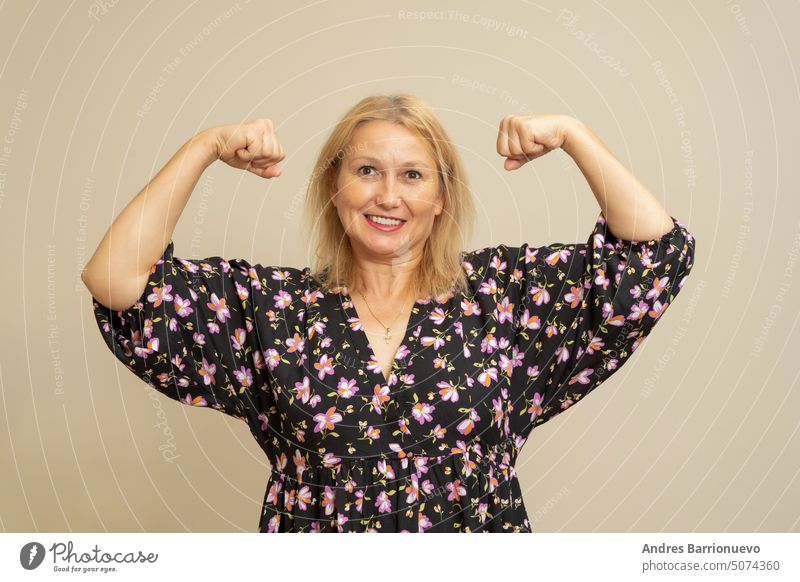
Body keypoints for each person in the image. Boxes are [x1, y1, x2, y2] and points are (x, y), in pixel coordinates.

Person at [83, 93, 696, 532]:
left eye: (412, 175)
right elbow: (114, 280)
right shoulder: (271, 309)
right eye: (367, 171)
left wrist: (571, 133)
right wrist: (205, 145)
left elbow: (653, 251)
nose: (388, 195)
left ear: (441, 196)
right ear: (334, 187)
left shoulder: (503, 298)